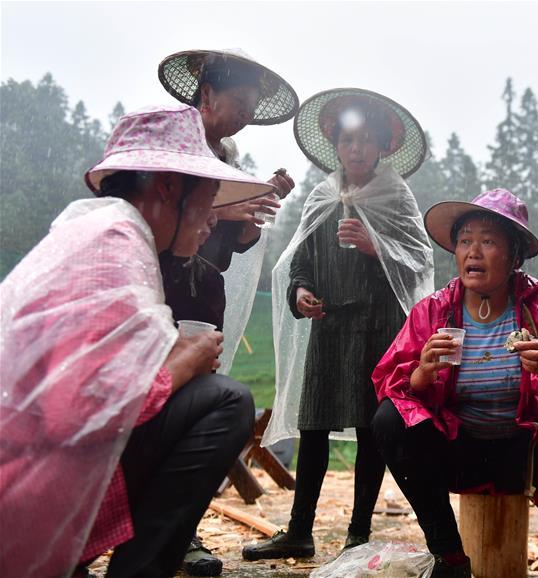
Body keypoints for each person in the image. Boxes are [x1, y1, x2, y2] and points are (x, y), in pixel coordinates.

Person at [0, 104, 274, 578]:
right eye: (209, 194)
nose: (212, 216)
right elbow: (75, 408)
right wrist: (181, 365)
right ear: (169, 186)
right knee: (225, 401)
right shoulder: (115, 243)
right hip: (22, 497)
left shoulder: (97, 229)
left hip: (26, 474)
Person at [371, 188, 538, 578]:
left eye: (488, 241)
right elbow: (389, 384)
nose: (473, 251)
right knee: (387, 419)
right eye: (465, 241)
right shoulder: (433, 311)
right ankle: (449, 558)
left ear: (514, 257)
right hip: (459, 452)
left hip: (529, 455)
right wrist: (422, 374)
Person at [243, 88, 434, 561]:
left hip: (378, 324)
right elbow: (301, 259)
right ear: (336, 145)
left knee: (372, 428)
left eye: (365, 140)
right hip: (329, 325)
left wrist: (375, 246)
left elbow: (418, 260)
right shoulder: (323, 196)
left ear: (382, 148)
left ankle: (358, 533)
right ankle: (299, 531)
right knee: (314, 426)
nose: (355, 149)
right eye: (348, 140)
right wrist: (299, 292)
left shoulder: (396, 196)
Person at [158, 48, 298, 574]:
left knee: (196, 412)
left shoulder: (228, 158)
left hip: (201, 297)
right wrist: (224, 208)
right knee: (159, 409)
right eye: (238, 103)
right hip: (161, 299)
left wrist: (253, 211)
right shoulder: (168, 147)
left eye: (250, 106)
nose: (242, 115)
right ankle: (152, 530)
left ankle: (184, 533)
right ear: (208, 94)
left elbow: (222, 249)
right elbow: (161, 221)